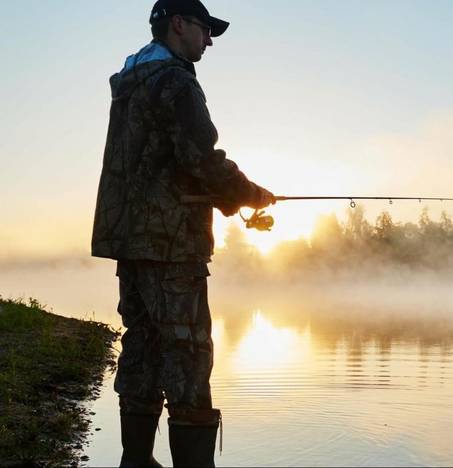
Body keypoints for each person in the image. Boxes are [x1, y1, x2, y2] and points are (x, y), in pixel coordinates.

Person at [91, 0, 274, 465]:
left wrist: (228, 196)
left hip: (130, 239)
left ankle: (136, 459)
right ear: (178, 24)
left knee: (143, 344)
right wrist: (249, 193)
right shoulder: (174, 80)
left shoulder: (131, 84)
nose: (209, 39)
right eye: (205, 29)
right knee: (189, 352)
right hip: (172, 242)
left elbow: (159, 164)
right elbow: (200, 158)